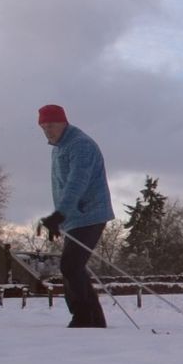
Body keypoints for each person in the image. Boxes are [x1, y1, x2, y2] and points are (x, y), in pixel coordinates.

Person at [37, 104, 115, 328]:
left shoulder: (80, 146)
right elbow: (61, 186)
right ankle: (92, 319)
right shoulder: (59, 148)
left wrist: (60, 214)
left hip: (90, 213)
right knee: (72, 267)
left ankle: (85, 318)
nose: (47, 131)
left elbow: (75, 184)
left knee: (71, 265)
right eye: (43, 127)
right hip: (74, 217)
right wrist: (59, 219)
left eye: (50, 125)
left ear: (63, 122)